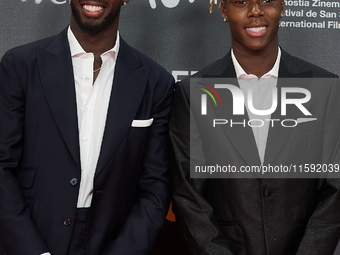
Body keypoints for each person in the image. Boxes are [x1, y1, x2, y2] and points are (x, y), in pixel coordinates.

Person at [0, 0, 174, 254]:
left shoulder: (155, 81)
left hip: (110, 242)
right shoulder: (20, 65)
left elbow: (155, 189)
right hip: (32, 238)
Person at [169, 0, 340, 254]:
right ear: (224, 11)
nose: (256, 10)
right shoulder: (193, 93)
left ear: (282, 7)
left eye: (267, 0)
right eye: (241, 2)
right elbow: (189, 196)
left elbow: (335, 188)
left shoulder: (324, 88)